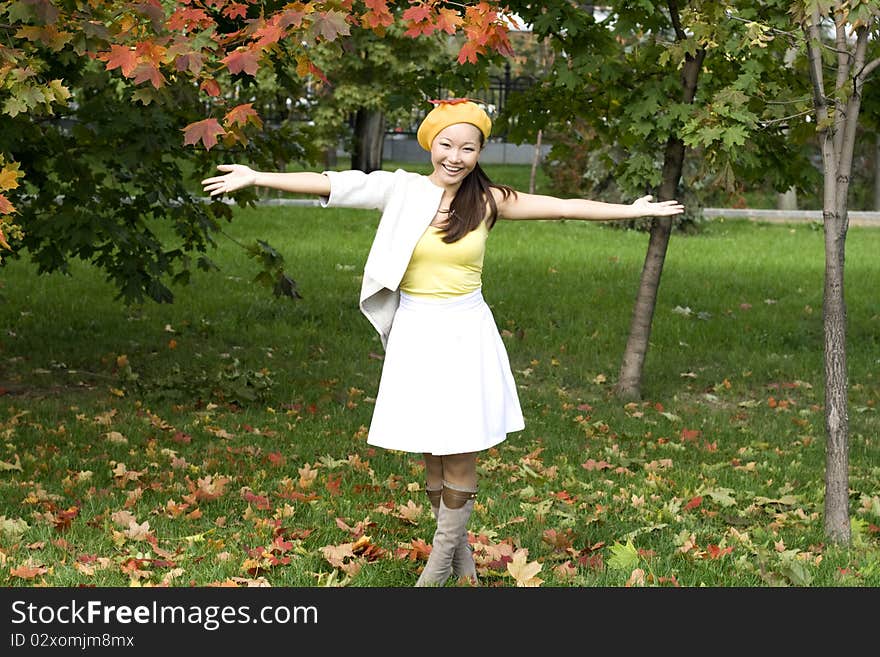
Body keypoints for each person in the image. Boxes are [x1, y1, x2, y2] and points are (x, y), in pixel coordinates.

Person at [202, 99, 685, 587]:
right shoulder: (402, 190)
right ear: (431, 144)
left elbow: (563, 208)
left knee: (459, 447)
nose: (456, 156)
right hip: (415, 333)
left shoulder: (488, 200)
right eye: (447, 145)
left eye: (468, 147)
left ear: (479, 153)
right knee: (432, 450)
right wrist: (257, 175)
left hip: (466, 334)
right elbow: (334, 182)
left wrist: (631, 209)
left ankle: (436, 570)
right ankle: (463, 565)